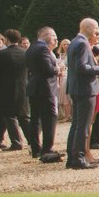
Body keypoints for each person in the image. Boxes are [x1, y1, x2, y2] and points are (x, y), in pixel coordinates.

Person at [63, 19, 99, 169]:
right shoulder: (82, 43)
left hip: (77, 88)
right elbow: (82, 67)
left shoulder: (75, 41)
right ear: (89, 28)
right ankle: (78, 158)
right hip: (85, 89)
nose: (97, 31)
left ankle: (72, 157)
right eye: (95, 28)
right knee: (83, 126)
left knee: (76, 125)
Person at [25, 27, 62, 163]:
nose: (56, 39)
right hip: (45, 88)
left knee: (35, 118)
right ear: (45, 35)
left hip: (34, 86)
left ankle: (35, 148)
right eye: (53, 36)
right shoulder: (43, 49)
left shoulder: (31, 48)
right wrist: (58, 69)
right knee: (50, 117)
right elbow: (48, 70)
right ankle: (47, 149)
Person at [0, 29, 29, 150]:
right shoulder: (25, 53)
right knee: (24, 116)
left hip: (6, 89)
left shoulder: (1, 54)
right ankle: (33, 141)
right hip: (23, 87)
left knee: (9, 116)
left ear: (6, 39)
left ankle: (17, 142)